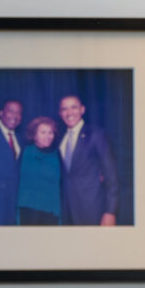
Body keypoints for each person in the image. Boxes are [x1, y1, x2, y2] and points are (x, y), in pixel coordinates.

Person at [57, 95, 119, 226]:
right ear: (60, 113)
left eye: (74, 107)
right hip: (66, 210)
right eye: (64, 109)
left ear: (82, 109)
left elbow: (111, 176)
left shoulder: (97, 134)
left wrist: (110, 212)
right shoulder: (59, 138)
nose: (69, 113)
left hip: (92, 209)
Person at [16, 116, 62, 225]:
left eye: (51, 132)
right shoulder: (24, 152)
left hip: (51, 211)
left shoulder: (58, 155)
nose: (48, 136)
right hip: (28, 210)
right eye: (43, 132)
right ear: (34, 135)